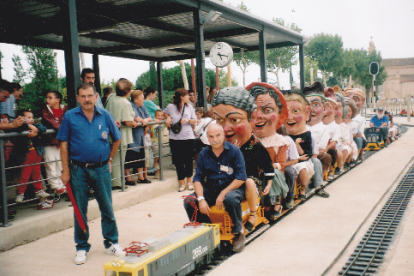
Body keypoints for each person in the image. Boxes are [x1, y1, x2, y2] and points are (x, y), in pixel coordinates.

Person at [57, 83, 124, 265]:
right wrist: (65, 170)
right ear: (78, 98)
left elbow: (117, 139)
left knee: (107, 207)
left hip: (101, 169)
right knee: (80, 209)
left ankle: (111, 242)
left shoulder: (105, 115)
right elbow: (63, 144)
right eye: (83, 96)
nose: (87, 99)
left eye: (90, 95)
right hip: (78, 170)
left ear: (96, 97)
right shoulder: (70, 116)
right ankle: (81, 246)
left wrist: (109, 160)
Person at [210, 86, 274, 228]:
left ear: (252, 118)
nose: (225, 128)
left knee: (249, 183)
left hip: (249, 181)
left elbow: (267, 166)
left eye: (235, 120)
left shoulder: (255, 146)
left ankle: (252, 214)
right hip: (227, 181)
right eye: (218, 120)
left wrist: (269, 183)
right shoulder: (219, 146)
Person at [183, 123, 247, 252]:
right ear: (207, 137)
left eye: (218, 135)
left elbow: (241, 177)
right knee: (189, 201)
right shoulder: (203, 154)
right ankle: (207, 230)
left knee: (230, 198)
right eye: (211, 136)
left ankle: (238, 233)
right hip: (211, 188)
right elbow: (197, 179)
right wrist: (200, 199)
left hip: (232, 188)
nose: (215, 139)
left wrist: (223, 193)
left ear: (223, 135)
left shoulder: (234, 151)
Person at [247, 83, 291, 216]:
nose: (259, 116)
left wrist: (269, 167)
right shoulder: (250, 141)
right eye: (254, 111)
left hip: (273, 173)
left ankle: (276, 203)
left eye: (267, 110)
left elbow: (281, 163)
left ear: (279, 114)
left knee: (274, 174)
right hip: (255, 174)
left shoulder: (280, 142)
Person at [12, 109, 51, 206]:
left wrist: (36, 130)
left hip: (36, 154)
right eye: (29, 118)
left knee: (36, 173)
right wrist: (28, 126)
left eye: (32, 117)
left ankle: (39, 190)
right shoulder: (20, 127)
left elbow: (43, 128)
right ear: (21, 119)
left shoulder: (35, 126)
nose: (32, 119)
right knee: (25, 175)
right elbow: (19, 129)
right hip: (26, 155)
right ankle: (20, 193)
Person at [105, 79, 139, 189]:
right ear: (128, 91)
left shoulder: (111, 97)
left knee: (111, 158)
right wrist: (134, 122)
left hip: (109, 134)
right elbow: (127, 120)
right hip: (121, 135)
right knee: (119, 160)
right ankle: (117, 183)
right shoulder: (125, 103)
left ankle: (113, 181)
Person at [283, 91, 315, 201]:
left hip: (303, 163)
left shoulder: (306, 135)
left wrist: (297, 145)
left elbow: (305, 155)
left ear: (306, 113)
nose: (290, 117)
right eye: (285, 113)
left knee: (302, 168)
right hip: (290, 163)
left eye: (295, 111)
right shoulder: (283, 136)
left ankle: (303, 189)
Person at [163, 88, 197, 192]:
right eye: (187, 95)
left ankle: (189, 182)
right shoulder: (170, 107)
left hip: (188, 137)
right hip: (175, 138)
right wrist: (167, 118)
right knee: (178, 161)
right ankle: (182, 183)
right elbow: (163, 113)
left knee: (188, 161)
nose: (189, 97)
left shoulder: (189, 107)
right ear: (181, 97)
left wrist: (188, 120)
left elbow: (195, 120)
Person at [303, 82, 331, 197]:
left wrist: (317, 152)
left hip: (315, 154)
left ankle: (319, 185)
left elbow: (322, 146)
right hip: (301, 155)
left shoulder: (324, 128)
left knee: (317, 162)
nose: (312, 110)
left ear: (325, 108)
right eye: (308, 106)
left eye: (316, 105)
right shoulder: (301, 127)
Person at [41, 91, 68, 195]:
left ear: (58, 100)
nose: (47, 100)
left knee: (60, 163)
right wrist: (62, 129)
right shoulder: (45, 111)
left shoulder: (64, 110)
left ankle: (61, 185)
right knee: (50, 163)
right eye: (47, 97)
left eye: (50, 98)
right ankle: (55, 185)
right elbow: (50, 122)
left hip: (60, 142)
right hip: (49, 141)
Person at [126, 90, 152, 185]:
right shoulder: (130, 106)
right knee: (130, 156)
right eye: (142, 98)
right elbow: (136, 118)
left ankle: (141, 177)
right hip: (132, 137)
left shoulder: (142, 106)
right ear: (136, 99)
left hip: (141, 136)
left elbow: (149, 117)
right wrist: (143, 120)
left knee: (141, 155)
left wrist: (145, 120)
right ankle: (128, 178)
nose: (143, 100)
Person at [343, 88, 367, 162]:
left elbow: (360, 132)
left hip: (354, 135)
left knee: (360, 140)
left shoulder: (360, 119)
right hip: (344, 137)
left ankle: (358, 155)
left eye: (355, 100)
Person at [323, 87, 341, 179]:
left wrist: (326, 148)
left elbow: (334, 141)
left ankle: (331, 170)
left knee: (333, 151)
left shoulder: (336, 127)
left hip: (329, 146)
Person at [334, 93, 353, 173]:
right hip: (331, 145)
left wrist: (346, 142)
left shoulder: (344, 126)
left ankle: (340, 165)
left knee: (346, 149)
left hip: (340, 145)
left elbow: (347, 138)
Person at [150, 110, 170, 179]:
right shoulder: (153, 122)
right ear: (155, 116)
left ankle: (157, 172)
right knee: (157, 152)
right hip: (154, 140)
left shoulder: (163, 122)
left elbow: (169, 123)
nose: (160, 117)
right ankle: (155, 163)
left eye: (162, 115)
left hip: (161, 141)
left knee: (160, 156)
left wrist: (166, 118)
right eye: (158, 115)